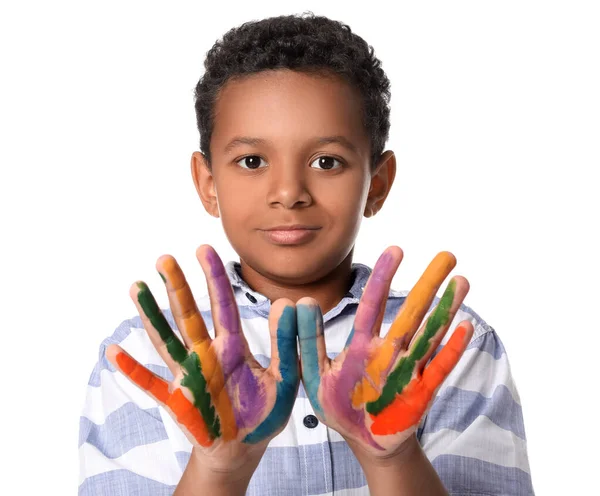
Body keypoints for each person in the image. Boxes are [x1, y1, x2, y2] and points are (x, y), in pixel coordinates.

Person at [78, 12, 534, 495]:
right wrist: (220, 468)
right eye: (252, 161)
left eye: (326, 161)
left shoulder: (445, 347)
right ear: (208, 184)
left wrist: (392, 459)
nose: (289, 192)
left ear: (376, 184)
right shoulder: (148, 357)